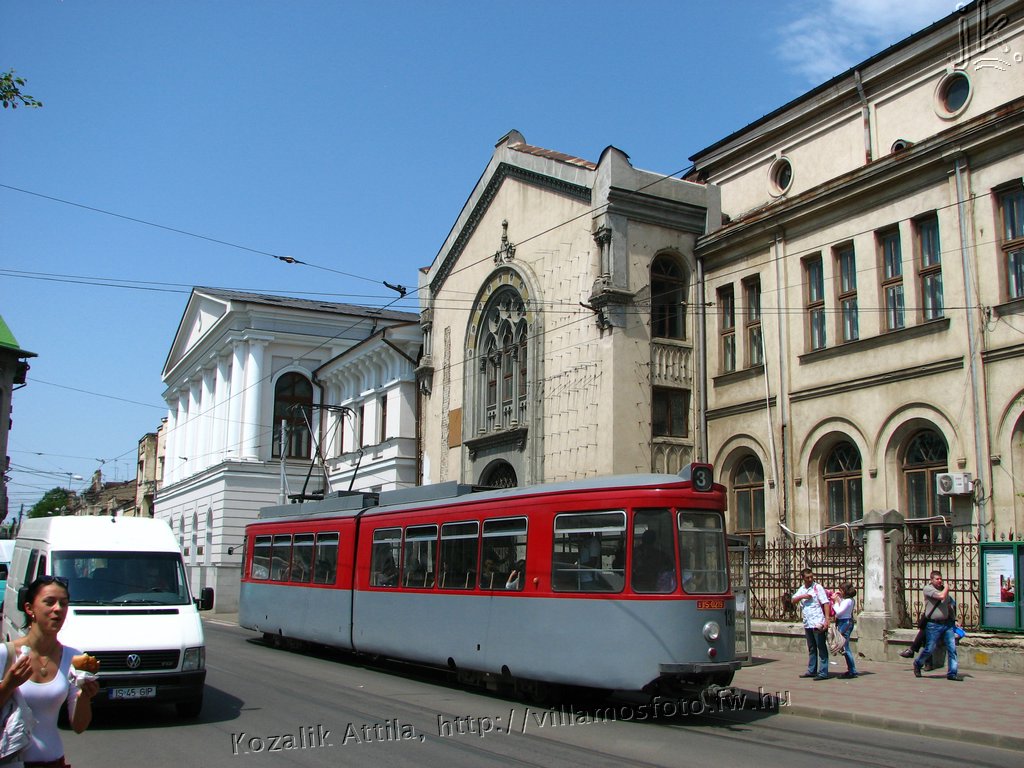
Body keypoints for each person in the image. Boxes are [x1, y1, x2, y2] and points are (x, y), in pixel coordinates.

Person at [0, 575, 100, 768]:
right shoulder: (5, 654)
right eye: (49, 602)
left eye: (64, 603)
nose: (58, 609)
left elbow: (79, 726)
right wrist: (9, 684)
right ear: (30, 608)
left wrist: (85, 697)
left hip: (54, 761)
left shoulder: (73, 657)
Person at [914, 570, 961, 681]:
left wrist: (954, 620)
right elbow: (941, 596)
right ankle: (918, 663)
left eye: (940, 579)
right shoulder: (928, 589)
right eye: (937, 579)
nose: (940, 581)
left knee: (952, 648)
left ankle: (952, 673)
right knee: (930, 648)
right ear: (931, 580)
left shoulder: (943, 590)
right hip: (933, 625)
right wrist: (947, 588)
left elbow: (949, 606)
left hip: (947, 624)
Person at [791, 567, 831, 680]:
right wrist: (803, 596)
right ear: (803, 578)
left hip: (817, 622)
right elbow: (793, 600)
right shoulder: (802, 589)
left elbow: (825, 603)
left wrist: (827, 619)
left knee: (821, 647)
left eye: (811, 577)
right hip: (808, 622)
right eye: (807, 577)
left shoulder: (817, 587)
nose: (810, 579)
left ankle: (823, 672)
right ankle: (812, 670)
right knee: (812, 647)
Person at [830, 582, 858, 678]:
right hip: (843, 622)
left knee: (844, 646)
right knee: (844, 646)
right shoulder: (846, 600)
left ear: (845, 591)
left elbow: (839, 611)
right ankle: (851, 669)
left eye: (841, 590)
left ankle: (852, 670)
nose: (839, 592)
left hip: (846, 622)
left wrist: (835, 602)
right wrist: (837, 598)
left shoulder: (849, 601)